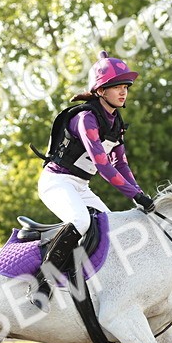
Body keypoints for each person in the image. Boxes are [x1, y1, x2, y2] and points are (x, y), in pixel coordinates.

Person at [29, 51, 155, 307]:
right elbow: (104, 166)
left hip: (81, 186)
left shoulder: (116, 122)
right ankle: (43, 280)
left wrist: (140, 195)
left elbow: (122, 164)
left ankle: (84, 280)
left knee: (110, 231)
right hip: (57, 182)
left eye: (125, 87)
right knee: (81, 220)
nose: (123, 92)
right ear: (100, 90)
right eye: (116, 87)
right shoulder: (85, 118)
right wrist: (134, 195)